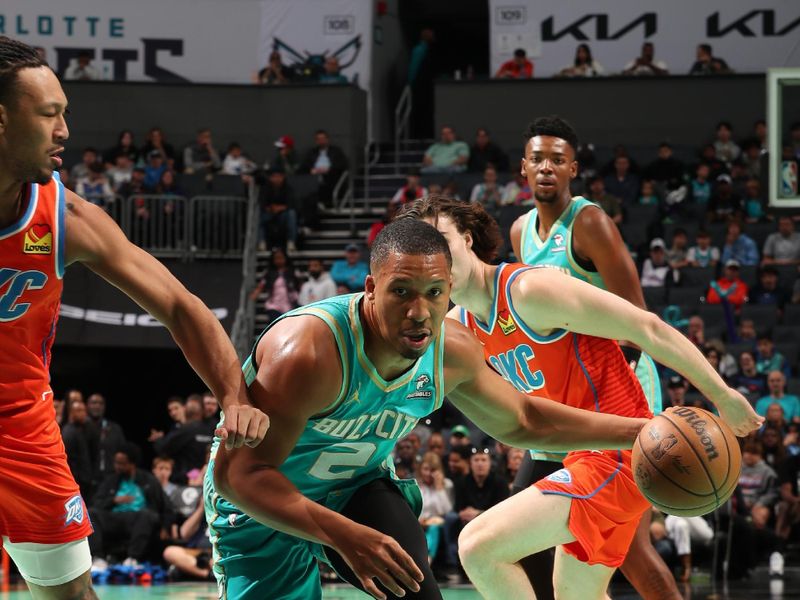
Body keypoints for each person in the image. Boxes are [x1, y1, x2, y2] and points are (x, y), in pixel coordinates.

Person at [206, 218, 654, 600]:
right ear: (371, 288)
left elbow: (525, 419)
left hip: (352, 489)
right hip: (260, 505)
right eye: (402, 291)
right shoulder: (307, 353)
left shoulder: (451, 351)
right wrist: (341, 534)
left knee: (415, 592)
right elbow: (239, 474)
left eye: (435, 293)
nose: (420, 311)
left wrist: (640, 433)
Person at [0, 37, 267, 599]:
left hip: (22, 431)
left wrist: (235, 396)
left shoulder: (66, 218)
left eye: (64, 114)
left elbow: (178, 305)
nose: (65, 131)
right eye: (49, 115)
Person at [400, 195, 759, 600]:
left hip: (625, 454)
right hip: (582, 456)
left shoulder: (530, 290)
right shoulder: (457, 326)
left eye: (442, 240)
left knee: (478, 546)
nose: (437, 257)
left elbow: (648, 329)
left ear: (467, 239)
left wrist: (723, 395)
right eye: (425, 250)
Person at [506, 115, 675, 600]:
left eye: (557, 160)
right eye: (537, 158)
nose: (546, 168)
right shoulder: (520, 233)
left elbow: (637, 322)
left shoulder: (590, 222)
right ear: (523, 166)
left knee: (631, 550)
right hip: (563, 396)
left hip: (617, 390)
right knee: (524, 536)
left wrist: (586, 387)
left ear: (573, 169)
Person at [89, 443, 175, 571]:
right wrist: (113, 500)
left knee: (147, 515)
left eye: (122, 464)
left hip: (137, 518)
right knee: (91, 513)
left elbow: (167, 507)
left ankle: (132, 559)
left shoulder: (148, 481)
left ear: (132, 464)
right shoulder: (111, 481)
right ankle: (98, 558)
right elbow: (97, 502)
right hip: (114, 517)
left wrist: (165, 527)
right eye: (116, 463)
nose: (117, 467)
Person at [85, 393, 126, 489]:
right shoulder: (80, 429)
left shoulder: (114, 428)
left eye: (100, 403)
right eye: (94, 403)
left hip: (110, 478)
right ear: (87, 405)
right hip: (86, 480)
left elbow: (122, 451)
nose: (97, 406)